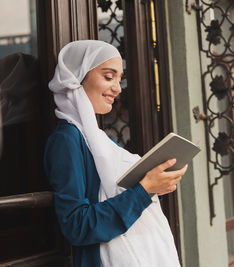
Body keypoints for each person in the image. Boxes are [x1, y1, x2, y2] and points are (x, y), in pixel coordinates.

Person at [44, 40, 187, 267]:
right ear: (78, 79)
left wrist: (158, 182)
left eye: (120, 79)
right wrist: (145, 189)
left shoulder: (99, 140)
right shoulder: (67, 140)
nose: (118, 88)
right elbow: (77, 225)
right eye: (109, 77)